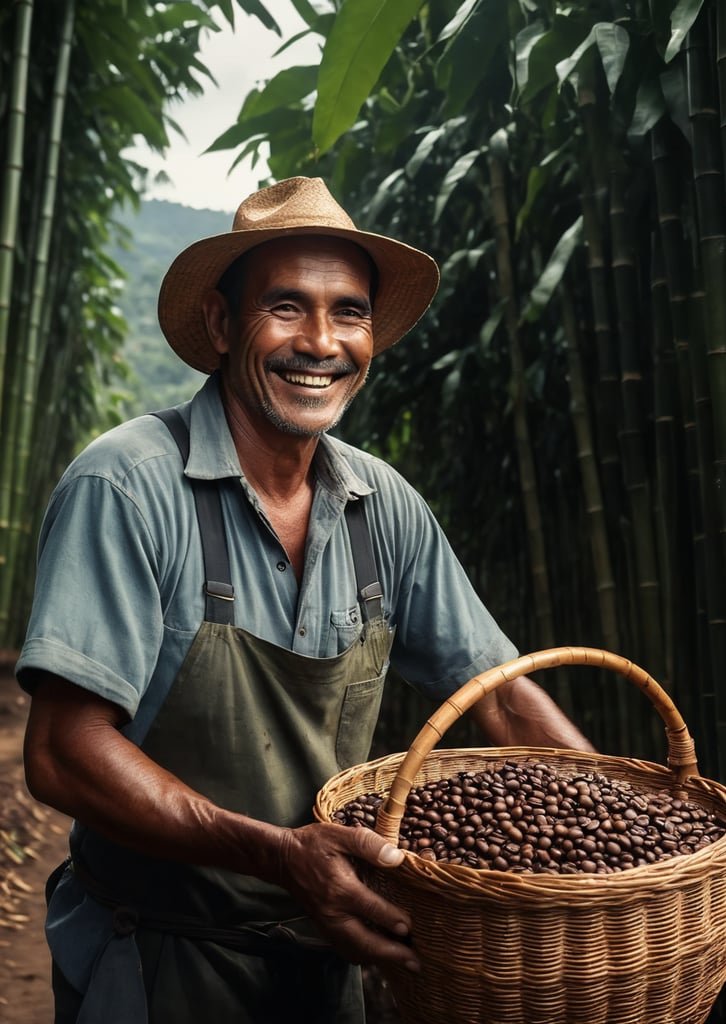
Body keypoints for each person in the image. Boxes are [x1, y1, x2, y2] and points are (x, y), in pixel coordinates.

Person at [18, 176, 594, 1023]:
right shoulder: (129, 487)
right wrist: (283, 855)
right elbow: (64, 752)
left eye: (349, 312)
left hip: (330, 956)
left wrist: (609, 809)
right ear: (221, 325)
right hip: (160, 954)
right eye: (285, 308)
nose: (320, 342)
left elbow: (500, 693)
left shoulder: (383, 504)